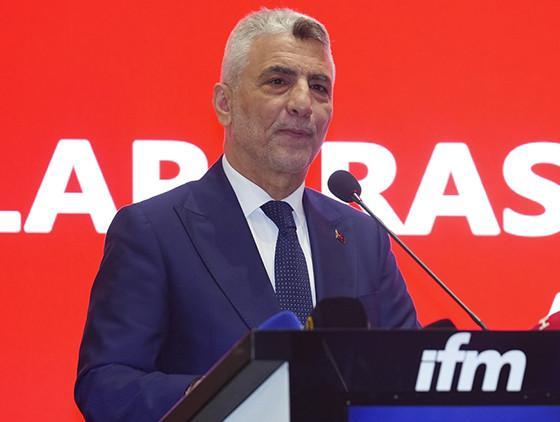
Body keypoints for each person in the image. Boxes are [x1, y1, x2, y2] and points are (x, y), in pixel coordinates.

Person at [74, 8, 418, 421]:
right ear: (225, 103)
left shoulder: (363, 236)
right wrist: (211, 396)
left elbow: (411, 376)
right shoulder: (154, 231)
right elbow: (105, 385)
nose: (302, 103)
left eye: (319, 87)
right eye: (278, 81)